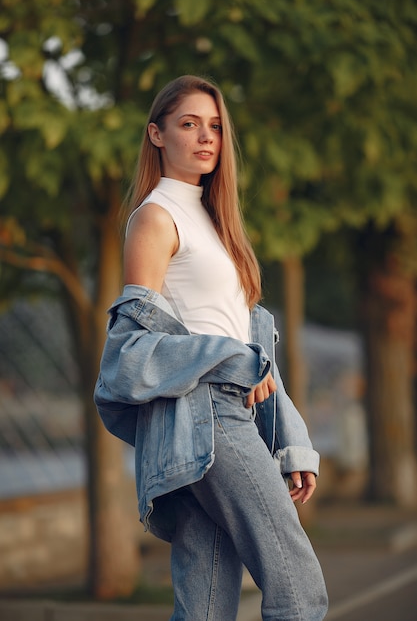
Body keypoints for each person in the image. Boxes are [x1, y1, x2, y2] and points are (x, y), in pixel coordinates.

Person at [94, 75, 328, 621]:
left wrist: (290, 438)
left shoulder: (215, 223)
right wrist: (232, 358)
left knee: (205, 609)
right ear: (157, 134)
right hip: (208, 420)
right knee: (300, 590)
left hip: (227, 418)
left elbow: (251, 349)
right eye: (188, 124)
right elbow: (130, 351)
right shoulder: (156, 217)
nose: (205, 138)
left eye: (215, 127)